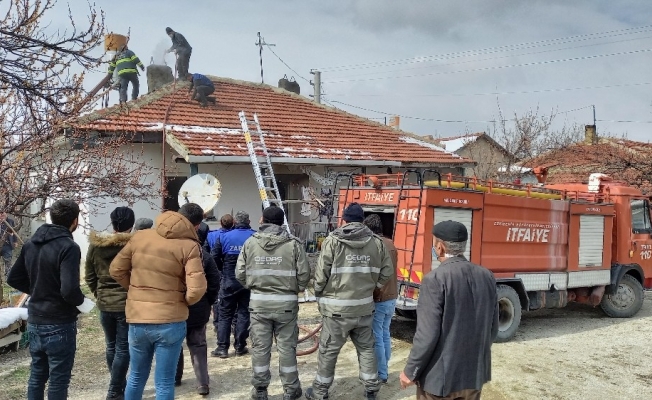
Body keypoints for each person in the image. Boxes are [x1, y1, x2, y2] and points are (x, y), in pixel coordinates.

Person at [110, 203, 208, 400]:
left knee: (136, 376)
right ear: (195, 226)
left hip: (138, 317)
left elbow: (116, 270)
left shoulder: (140, 236)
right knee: (164, 381)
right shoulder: (189, 246)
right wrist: (183, 301)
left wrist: (136, 290)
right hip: (170, 320)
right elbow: (197, 288)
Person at [399, 220, 499, 400]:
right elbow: (493, 328)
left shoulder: (435, 279)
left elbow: (426, 335)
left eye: (434, 243)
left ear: (440, 247)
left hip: (439, 381)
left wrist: (410, 371)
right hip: (473, 377)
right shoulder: (487, 276)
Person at [306, 203, 393, 400]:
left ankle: (320, 392)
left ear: (344, 220)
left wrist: (320, 293)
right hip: (363, 308)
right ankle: (371, 390)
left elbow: (321, 274)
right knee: (366, 350)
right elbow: (387, 271)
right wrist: (374, 286)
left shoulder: (333, 241)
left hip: (337, 311)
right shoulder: (376, 242)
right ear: (362, 220)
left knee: (328, 351)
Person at [7, 199, 88, 400]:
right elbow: (69, 290)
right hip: (59, 321)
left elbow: (13, 278)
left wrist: (37, 290)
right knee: (58, 379)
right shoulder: (69, 246)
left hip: (35, 320)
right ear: (75, 221)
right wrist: (82, 303)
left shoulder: (31, 243)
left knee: (37, 376)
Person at [236, 206, 310, 400]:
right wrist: (296, 288)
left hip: (259, 305)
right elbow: (304, 274)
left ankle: (260, 390)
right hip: (286, 306)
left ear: (262, 220)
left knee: (260, 348)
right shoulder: (294, 244)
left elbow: (240, 274)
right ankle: (291, 390)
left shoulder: (250, 243)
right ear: (281, 221)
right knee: (287, 349)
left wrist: (254, 287)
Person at [84, 207, 135, 400]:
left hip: (105, 303)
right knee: (123, 348)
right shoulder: (134, 245)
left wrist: (100, 293)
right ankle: (115, 390)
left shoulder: (97, 245)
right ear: (132, 224)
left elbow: (89, 275)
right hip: (126, 303)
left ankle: (118, 386)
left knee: (111, 346)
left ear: (112, 223)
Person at [175, 220, 220, 396]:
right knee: (198, 344)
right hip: (199, 306)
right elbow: (214, 282)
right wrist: (209, 301)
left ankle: (175, 377)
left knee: (175, 343)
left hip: (177, 306)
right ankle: (202, 383)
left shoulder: (174, 254)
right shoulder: (205, 256)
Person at [211, 210, 255, 358]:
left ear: (235, 222)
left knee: (224, 315)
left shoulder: (224, 236)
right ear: (248, 222)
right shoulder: (254, 237)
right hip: (248, 281)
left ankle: (222, 348)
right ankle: (240, 346)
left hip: (228, 279)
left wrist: (222, 272)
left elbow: (214, 257)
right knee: (244, 313)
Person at [363, 214, 398, 384]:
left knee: (376, 336)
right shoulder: (391, 243)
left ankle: (382, 374)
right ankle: (385, 367)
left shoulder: (374, 246)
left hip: (380, 297)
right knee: (385, 333)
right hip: (392, 296)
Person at [205, 214, 235, 353]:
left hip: (217, 272)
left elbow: (208, 254)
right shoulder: (234, 236)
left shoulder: (212, 235)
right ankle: (234, 327)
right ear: (232, 223)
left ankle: (218, 325)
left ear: (221, 223)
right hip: (233, 273)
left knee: (220, 302)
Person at [0, 211, 17, 279]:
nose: (1, 215)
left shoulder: (10, 221)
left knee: (8, 261)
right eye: (0, 214)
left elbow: (14, 231)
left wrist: (15, 241)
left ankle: (8, 278)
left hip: (7, 245)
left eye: (3, 213)